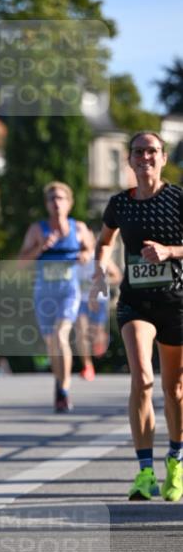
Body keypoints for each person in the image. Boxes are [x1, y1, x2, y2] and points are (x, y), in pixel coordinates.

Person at [90, 131, 183, 502]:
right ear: (129, 161)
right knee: (142, 378)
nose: (145, 157)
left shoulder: (177, 199)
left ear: (162, 158)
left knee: (174, 390)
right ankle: (145, 472)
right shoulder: (119, 204)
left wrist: (170, 251)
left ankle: (175, 461)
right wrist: (99, 269)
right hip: (135, 303)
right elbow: (104, 241)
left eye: (152, 151)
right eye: (138, 152)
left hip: (175, 301)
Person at [18, 182, 94, 412]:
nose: (56, 202)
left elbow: (92, 250)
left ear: (69, 203)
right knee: (52, 343)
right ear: (47, 205)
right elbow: (21, 262)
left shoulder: (78, 228)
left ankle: (64, 389)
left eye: (60, 198)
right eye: (51, 199)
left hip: (69, 292)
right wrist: (40, 248)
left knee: (62, 335)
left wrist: (84, 254)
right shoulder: (37, 230)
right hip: (44, 293)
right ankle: (60, 382)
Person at [75, 250, 121, 381]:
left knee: (95, 333)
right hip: (80, 300)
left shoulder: (100, 257)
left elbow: (117, 276)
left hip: (99, 301)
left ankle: (101, 338)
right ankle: (87, 366)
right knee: (81, 331)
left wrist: (102, 281)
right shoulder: (72, 256)